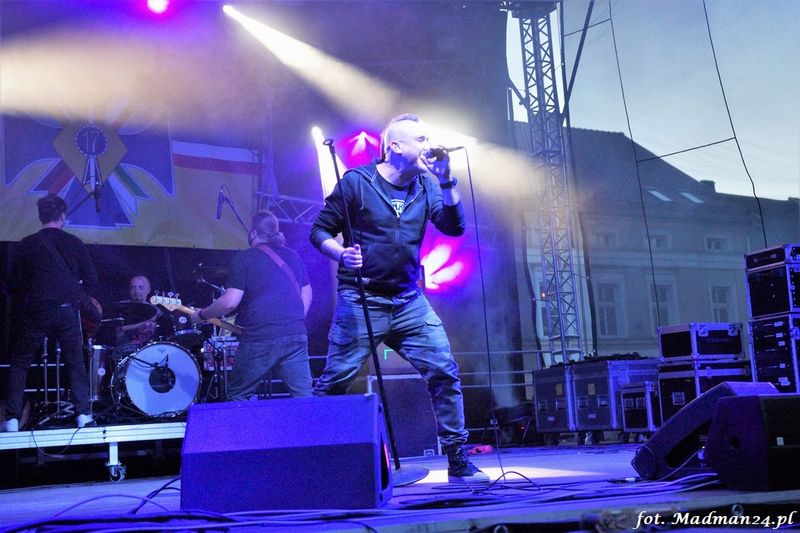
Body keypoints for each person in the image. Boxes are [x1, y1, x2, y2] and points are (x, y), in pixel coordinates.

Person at [309, 113, 488, 483]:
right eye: (421, 139)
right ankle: (315, 462)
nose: (428, 145)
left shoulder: (426, 186)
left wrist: (446, 180)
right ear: (394, 146)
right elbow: (319, 231)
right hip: (362, 298)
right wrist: (341, 254)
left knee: (444, 371)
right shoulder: (358, 182)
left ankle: (458, 461)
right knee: (334, 382)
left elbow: (455, 227)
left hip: (408, 300)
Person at [190, 210, 313, 399]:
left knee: (238, 396)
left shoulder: (244, 258)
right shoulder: (293, 256)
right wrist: (293, 320)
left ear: (253, 233)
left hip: (259, 337)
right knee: (304, 397)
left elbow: (230, 302)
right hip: (295, 334)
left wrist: (201, 315)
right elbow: (307, 293)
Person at [1, 194, 98, 431]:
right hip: (66, 311)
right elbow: (92, 279)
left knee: (20, 363)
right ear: (63, 216)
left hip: (36, 310)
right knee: (75, 363)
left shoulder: (26, 244)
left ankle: (12, 419)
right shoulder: (74, 243)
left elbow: (12, 284)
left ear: (40, 216)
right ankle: (83, 414)